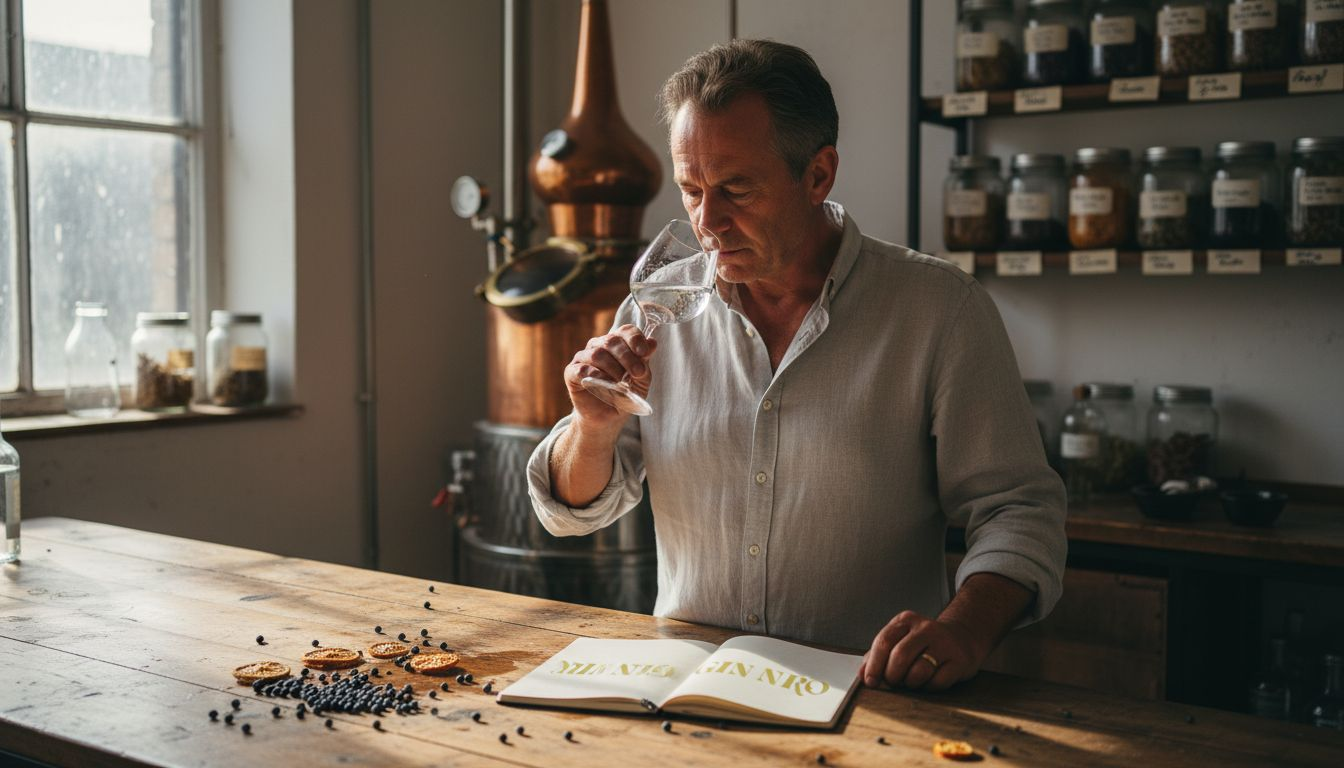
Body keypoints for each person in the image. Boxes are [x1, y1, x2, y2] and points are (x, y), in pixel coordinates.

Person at [526, 39, 1067, 692]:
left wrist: (965, 628)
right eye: (690, 190)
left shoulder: (940, 311)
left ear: (818, 174)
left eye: (736, 190)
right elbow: (571, 511)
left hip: (871, 697)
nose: (707, 222)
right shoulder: (660, 307)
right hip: (686, 695)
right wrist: (593, 427)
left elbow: (1017, 509)